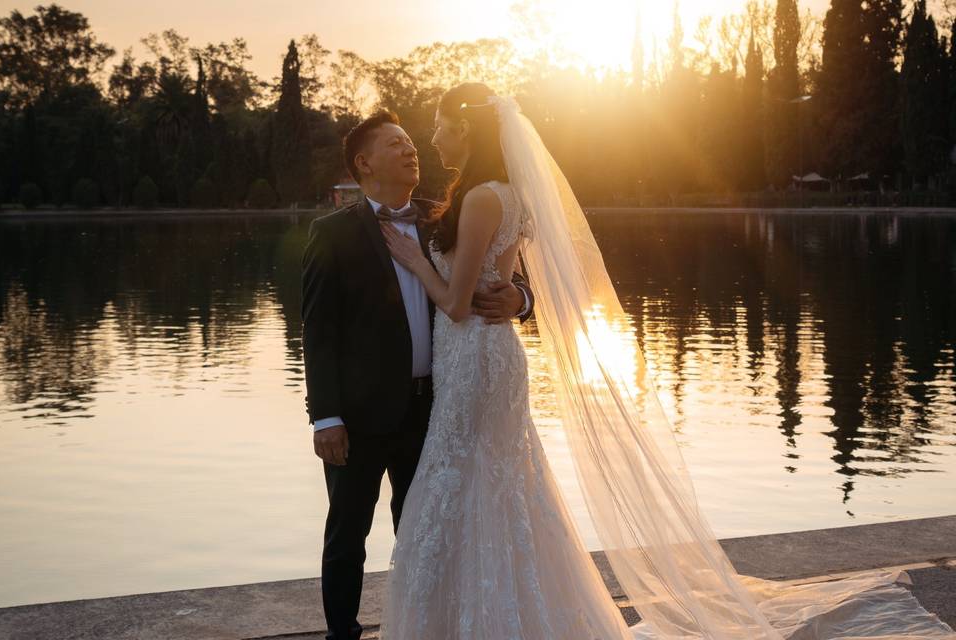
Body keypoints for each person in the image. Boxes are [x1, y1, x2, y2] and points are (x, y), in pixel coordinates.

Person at [378, 82, 956, 639]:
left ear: (465, 126)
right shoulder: (502, 195)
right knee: (500, 482)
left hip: (476, 357)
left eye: (438, 126)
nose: (432, 138)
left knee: (471, 478)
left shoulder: (483, 197)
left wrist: (414, 258)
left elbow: (455, 303)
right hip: (484, 359)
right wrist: (520, 297)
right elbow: (508, 280)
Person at [300, 110, 534, 640]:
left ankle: (426, 626)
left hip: (437, 406)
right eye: (397, 144)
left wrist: (521, 300)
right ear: (364, 162)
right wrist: (325, 417)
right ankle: (343, 635)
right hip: (359, 415)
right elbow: (319, 333)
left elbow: (507, 273)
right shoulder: (331, 234)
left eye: (412, 142)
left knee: (427, 527)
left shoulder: (443, 216)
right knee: (347, 534)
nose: (412, 151)